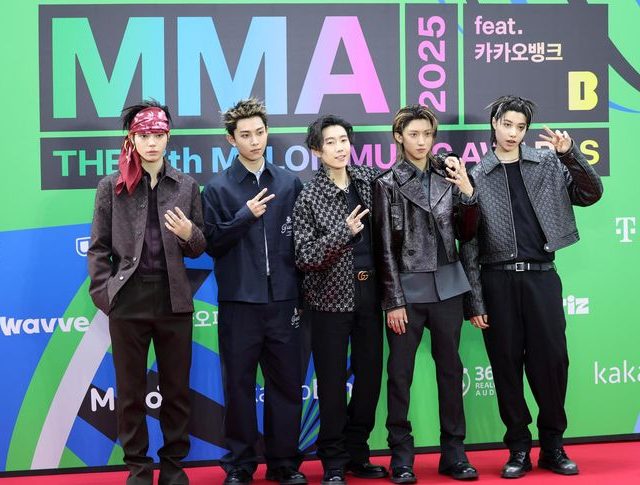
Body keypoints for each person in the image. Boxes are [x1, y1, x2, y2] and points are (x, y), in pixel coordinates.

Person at [460, 95, 603, 478]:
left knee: (552, 363)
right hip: (496, 280)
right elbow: (467, 243)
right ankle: (518, 449)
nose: (513, 133)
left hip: (541, 276)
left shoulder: (547, 164)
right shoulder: (476, 175)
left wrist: (570, 154)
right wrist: (475, 301)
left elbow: (591, 194)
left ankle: (553, 446)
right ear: (494, 123)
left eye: (520, 127)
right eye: (507, 124)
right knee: (506, 365)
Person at [88, 100, 206, 485]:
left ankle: (173, 466)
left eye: (158, 135)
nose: (151, 143)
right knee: (130, 392)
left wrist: (190, 234)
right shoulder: (111, 187)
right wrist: (105, 295)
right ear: (132, 138)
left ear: (168, 137)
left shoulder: (186, 186)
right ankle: (138, 468)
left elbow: (199, 246)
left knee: (177, 391)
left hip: (174, 299)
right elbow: (98, 248)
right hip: (128, 300)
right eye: (144, 135)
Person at [201, 98, 307, 485]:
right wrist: (244, 216)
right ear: (231, 140)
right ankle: (240, 465)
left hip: (284, 301)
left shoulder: (289, 183)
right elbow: (211, 243)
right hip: (239, 303)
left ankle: (284, 463)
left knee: (286, 386)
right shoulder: (217, 189)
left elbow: (302, 243)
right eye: (245, 135)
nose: (254, 141)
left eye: (259, 132)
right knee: (238, 386)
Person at [373, 105, 480, 483]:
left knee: (451, 371)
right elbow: (384, 248)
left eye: (427, 134)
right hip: (407, 292)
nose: (422, 142)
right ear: (399, 137)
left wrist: (467, 193)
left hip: (449, 288)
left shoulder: (449, 174)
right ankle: (401, 457)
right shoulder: (386, 182)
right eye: (414, 134)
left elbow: (467, 233)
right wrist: (393, 301)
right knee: (400, 375)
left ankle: (454, 454)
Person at [293, 115, 387, 485]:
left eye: (343, 140)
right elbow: (305, 255)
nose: (339, 148)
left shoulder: (368, 180)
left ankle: (357, 453)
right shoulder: (309, 196)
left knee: (370, 379)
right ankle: (332, 459)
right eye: (330, 142)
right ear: (316, 150)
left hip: (370, 294)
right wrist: (342, 233)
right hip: (328, 301)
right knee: (331, 384)